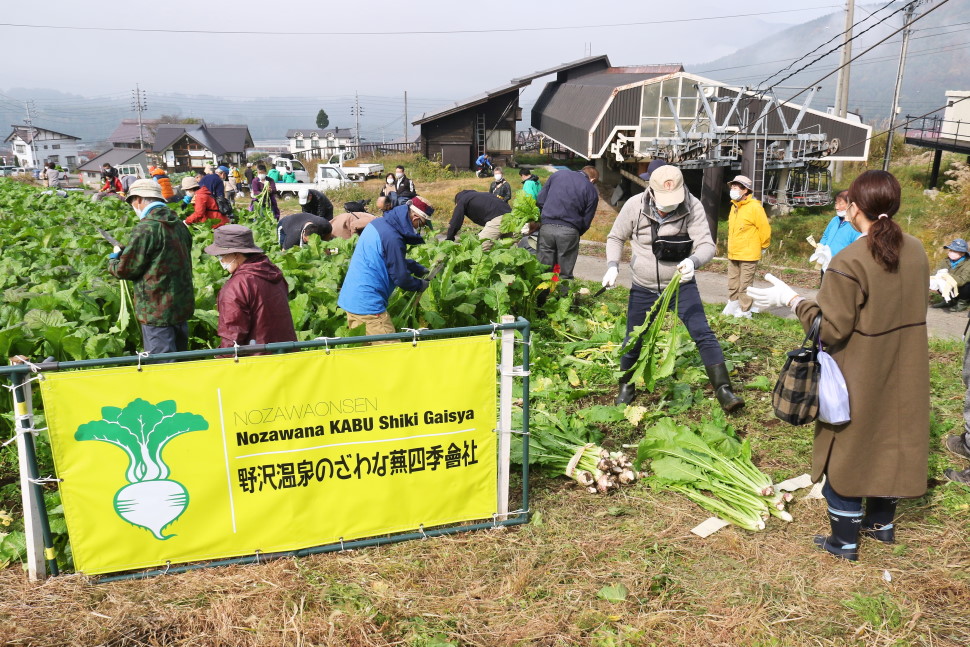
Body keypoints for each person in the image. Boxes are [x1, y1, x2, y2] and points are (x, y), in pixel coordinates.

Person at [747, 169, 929, 561]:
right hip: (907, 368)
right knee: (891, 442)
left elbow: (828, 330)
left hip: (858, 371)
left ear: (856, 207)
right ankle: (882, 525)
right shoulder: (916, 249)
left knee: (850, 449)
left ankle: (843, 542)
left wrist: (792, 300)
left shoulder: (850, 260)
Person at [603, 164, 744, 412]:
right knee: (634, 338)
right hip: (643, 287)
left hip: (681, 285)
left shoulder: (692, 206)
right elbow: (616, 237)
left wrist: (693, 261)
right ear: (652, 190)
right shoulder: (635, 205)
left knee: (703, 333)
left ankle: (724, 390)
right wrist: (613, 265)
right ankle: (626, 385)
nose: (669, 205)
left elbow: (706, 245)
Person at [108, 179, 194, 356]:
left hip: (156, 310)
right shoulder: (179, 224)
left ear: (138, 199)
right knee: (181, 361)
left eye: (132, 202)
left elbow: (126, 270)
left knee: (162, 365)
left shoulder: (147, 228)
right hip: (180, 306)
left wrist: (114, 260)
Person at [337, 197, 434, 337]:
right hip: (368, 306)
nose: (419, 228)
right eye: (421, 224)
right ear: (415, 217)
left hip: (352, 299)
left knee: (366, 352)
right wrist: (419, 285)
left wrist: (413, 266)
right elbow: (401, 278)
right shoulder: (393, 237)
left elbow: (381, 260)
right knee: (390, 353)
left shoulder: (379, 224)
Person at [203, 225, 297, 350]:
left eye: (221, 255)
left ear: (236, 254)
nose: (220, 260)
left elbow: (232, 337)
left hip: (256, 361)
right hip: (288, 356)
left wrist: (223, 359)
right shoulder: (273, 272)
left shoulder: (236, 287)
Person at [536, 166, 599, 283]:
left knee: (543, 271)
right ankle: (563, 299)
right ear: (593, 179)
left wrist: (545, 218)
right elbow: (587, 219)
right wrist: (576, 232)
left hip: (547, 227)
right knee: (564, 274)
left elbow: (540, 199)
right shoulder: (591, 189)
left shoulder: (558, 175)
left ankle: (541, 300)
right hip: (570, 230)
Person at [721, 175, 771, 319]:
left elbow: (764, 229)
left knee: (745, 285)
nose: (733, 189)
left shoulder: (755, 207)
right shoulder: (734, 207)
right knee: (732, 282)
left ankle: (744, 310)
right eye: (732, 186)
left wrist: (764, 245)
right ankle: (732, 303)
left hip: (749, 253)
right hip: (733, 251)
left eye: (736, 187)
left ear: (745, 190)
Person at [810, 190, 859, 274]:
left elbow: (856, 248)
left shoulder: (855, 225)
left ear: (851, 205)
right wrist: (821, 245)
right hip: (826, 263)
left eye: (840, 204)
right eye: (836, 203)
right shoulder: (834, 220)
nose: (837, 207)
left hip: (841, 268)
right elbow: (826, 235)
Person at [446, 190, 511, 251]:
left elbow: (455, 222)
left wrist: (449, 239)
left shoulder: (462, 200)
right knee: (508, 247)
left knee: (478, 248)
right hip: (511, 216)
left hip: (498, 218)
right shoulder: (479, 195)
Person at [930, 239, 970, 311]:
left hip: (962, 288)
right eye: (950, 250)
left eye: (954, 251)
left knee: (968, 285)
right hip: (951, 286)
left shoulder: (968, 263)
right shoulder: (946, 260)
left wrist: (947, 276)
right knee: (937, 280)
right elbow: (935, 273)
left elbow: (963, 280)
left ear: (963, 253)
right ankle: (948, 301)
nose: (951, 253)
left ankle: (962, 303)